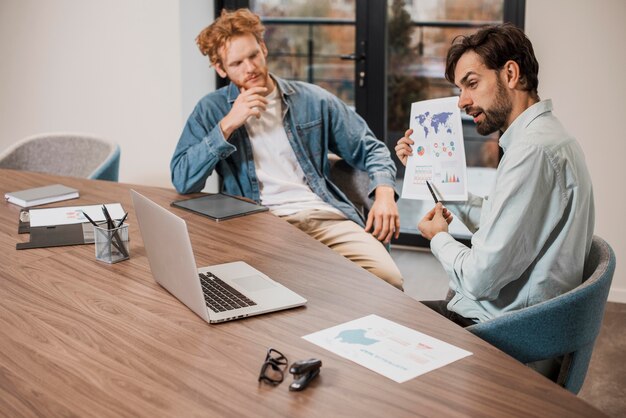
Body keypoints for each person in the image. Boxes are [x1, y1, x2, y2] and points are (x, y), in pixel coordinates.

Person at [171, 9, 403, 289]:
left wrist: (385, 195)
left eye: (253, 55)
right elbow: (183, 179)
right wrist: (228, 125)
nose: (250, 68)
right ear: (221, 69)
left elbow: (371, 149)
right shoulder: (212, 110)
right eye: (237, 63)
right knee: (263, 291)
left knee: (388, 280)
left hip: (323, 216)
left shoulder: (312, 100)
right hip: (260, 223)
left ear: (264, 48)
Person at [395, 23, 594, 326]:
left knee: (387, 320)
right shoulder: (543, 138)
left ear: (511, 74)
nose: (461, 101)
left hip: (502, 332)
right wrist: (426, 172)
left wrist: (439, 239)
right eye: (459, 90)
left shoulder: (532, 151)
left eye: (471, 84)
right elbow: (499, 219)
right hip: (507, 318)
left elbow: (479, 279)